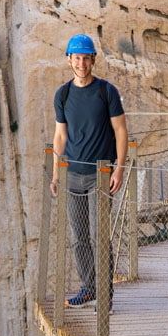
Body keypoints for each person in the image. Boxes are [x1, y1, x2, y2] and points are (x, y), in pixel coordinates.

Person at [50, 33, 128, 308]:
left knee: (98, 235)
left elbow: (120, 131)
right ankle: (89, 288)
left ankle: (104, 293)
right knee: (79, 236)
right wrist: (56, 174)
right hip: (72, 174)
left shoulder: (106, 92)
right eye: (77, 58)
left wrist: (118, 169)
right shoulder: (63, 94)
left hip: (101, 174)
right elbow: (60, 136)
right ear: (69, 59)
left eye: (86, 58)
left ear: (93, 60)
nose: (81, 63)